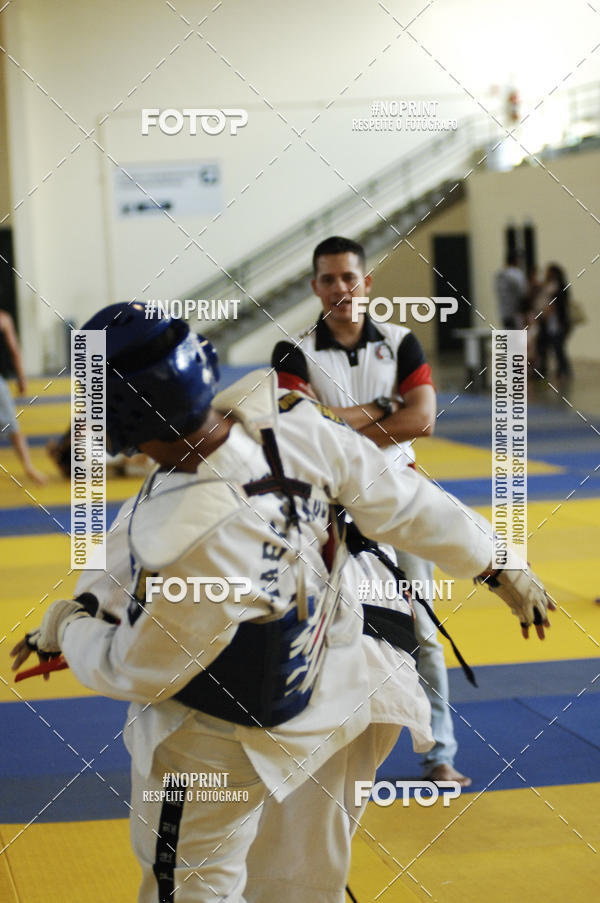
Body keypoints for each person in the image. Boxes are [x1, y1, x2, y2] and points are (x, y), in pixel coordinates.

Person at [11, 302, 553, 903]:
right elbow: (403, 500)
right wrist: (498, 563)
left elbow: (138, 665)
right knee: (299, 883)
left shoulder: (184, 537)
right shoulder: (290, 421)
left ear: (111, 422)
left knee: (192, 887)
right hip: (347, 685)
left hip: (226, 733)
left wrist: (70, 629)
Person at [271, 235, 472, 787]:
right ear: (315, 287)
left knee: (423, 628)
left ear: (367, 282)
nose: (341, 288)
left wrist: (337, 423)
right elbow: (295, 430)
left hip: (400, 499)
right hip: (326, 507)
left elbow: (423, 421)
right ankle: (313, 750)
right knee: (314, 626)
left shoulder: (402, 343)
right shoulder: (293, 352)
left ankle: (439, 754)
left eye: (349, 277)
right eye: (329, 279)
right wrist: (383, 409)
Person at [0, 309, 46, 484]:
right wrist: (22, 378)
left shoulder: (3, 319)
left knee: (12, 425)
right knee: (13, 426)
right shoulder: (3, 319)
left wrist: (21, 378)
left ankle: (28, 467)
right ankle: (28, 466)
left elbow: (14, 351)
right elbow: (14, 350)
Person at [535, 263, 572, 386]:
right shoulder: (549, 286)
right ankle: (554, 369)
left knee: (558, 348)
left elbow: (558, 305)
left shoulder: (559, 287)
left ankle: (563, 370)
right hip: (549, 322)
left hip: (556, 322)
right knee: (550, 347)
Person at [494, 249, 528, 329]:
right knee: (518, 339)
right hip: (517, 312)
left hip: (504, 312)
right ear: (516, 259)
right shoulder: (517, 274)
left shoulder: (500, 274)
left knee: (508, 337)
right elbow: (523, 293)